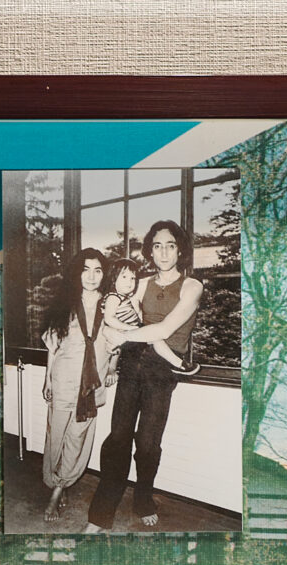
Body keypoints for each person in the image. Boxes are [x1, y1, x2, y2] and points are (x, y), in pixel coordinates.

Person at [85, 221, 203, 531]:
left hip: (160, 372)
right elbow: (115, 320)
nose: (163, 251)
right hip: (131, 364)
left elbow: (164, 329)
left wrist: (125, 335)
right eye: (157, 245)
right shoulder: (141, 283)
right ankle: (100, 514)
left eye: (170, 245)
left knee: (148, 444)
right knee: (117, 440)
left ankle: (143, 499)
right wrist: (112, 358)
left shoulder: (192, 286)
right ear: (150, 250)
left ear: (180, 250)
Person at [40, 248, 111, 522]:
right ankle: (58, 480)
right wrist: (47, 378)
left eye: (98, 270)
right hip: (63, 378)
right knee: (56, 436)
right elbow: (53, 346)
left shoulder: (111, 305)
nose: (91, 276)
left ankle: (57, 491)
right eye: (86, 269)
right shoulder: (65, 303)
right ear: (76, 273)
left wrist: (113, 368)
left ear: (104, 274)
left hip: (90, 386)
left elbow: (116, 345)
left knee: (77, 439)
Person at [101, 257, 199, 377]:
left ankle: (177, 363)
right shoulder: (113, 297)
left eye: (132, 278)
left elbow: (136, 313)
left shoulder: (125, 297)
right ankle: (178, 364)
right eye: (124, 277)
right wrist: (129, 329)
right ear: (113, 279)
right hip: (124, 331)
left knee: (155, 339)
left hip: (130, 332)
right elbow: (109, 319)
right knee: (156, 340)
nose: (129, 282)